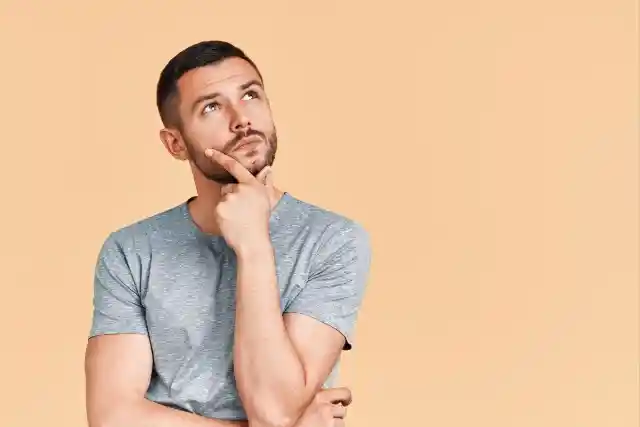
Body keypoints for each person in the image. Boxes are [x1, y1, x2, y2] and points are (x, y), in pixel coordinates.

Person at [84, 40, 372, 427]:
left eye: (250, 94)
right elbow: (112, 417)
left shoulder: (332, 240)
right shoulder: (131, 250)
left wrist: (254, 245)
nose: (241, 119)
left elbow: (273, 407)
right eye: (212, 107)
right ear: (175, 143)